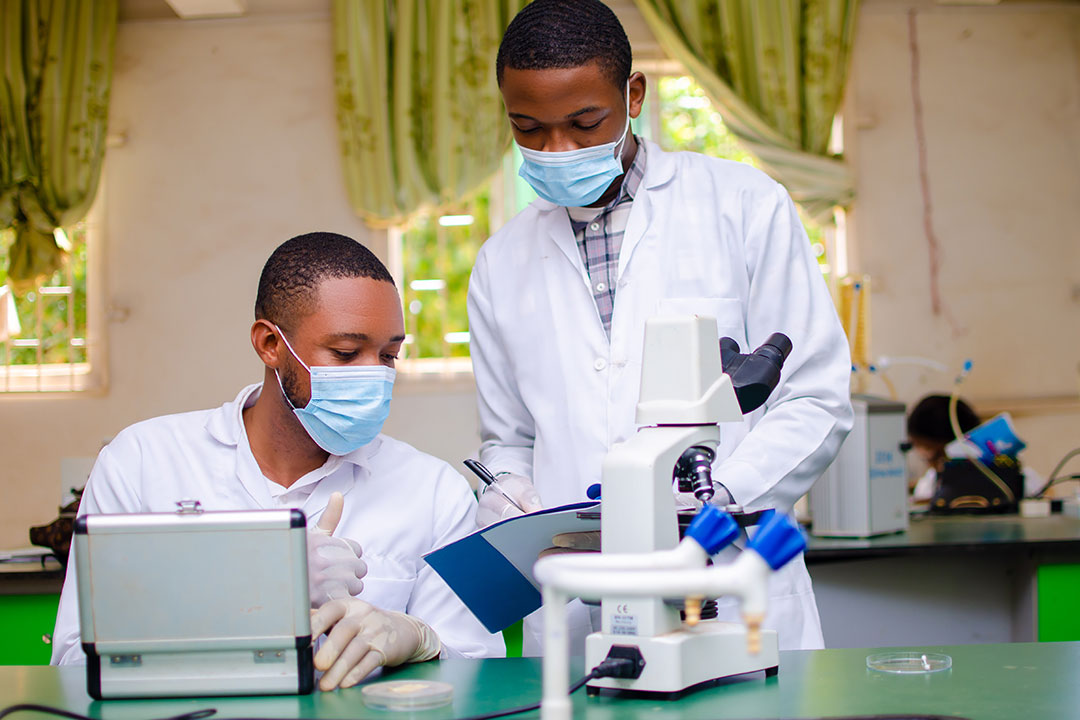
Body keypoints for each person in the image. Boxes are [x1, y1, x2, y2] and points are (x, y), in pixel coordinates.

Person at [467, 0, 853, 654]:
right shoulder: (500, 262)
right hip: (578, 597)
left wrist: (720, 496)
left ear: (633, 94)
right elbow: (509, 436)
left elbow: (815, 397)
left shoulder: (743, 206)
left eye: (584, 122)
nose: (556, 149)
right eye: (528, 128)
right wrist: (506, 491)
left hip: (727, 582)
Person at [52, 233, 503, 688]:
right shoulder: (145, 463)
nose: (375, 375)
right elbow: (74, 664)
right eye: (346, 353)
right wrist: (258, 587)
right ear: (270, 343)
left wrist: (420, 641)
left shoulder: (434, 491)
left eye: (389, 355)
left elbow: (480, 674)